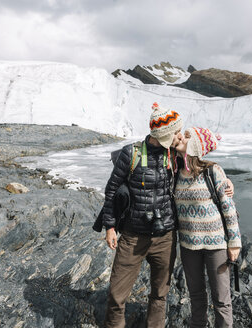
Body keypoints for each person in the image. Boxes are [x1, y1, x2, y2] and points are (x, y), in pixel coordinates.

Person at [102, 102, 183, 328]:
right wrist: (110, 227)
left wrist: (223, 179)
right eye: (174, 133)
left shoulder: (174, 154)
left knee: (160, 295)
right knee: (117, 296)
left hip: (165, 237)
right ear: (162, 135)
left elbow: (200, 163)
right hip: (132, 237)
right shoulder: (131, 154)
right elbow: (111, 190)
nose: (179, 136)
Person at [173, 127, 242, 328]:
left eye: (186, 136)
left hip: (216, 246)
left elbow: (228, 207)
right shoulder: (176, 171)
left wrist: (235, 243)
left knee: (221, 300)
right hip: (188, 246)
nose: (180, 138)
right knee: (196, 297)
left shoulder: (213, 171)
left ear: (194, 144)